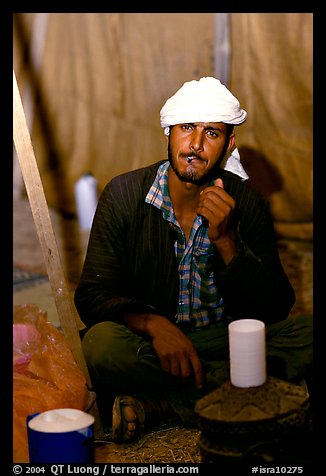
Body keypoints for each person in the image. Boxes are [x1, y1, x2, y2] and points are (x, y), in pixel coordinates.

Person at [74, 77, 313, 444]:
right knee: (100, 345)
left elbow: (275, 307)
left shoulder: (247, 204)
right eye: (187, 127)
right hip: (152, 344)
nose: (196, 145)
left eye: (212, 133)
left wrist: (227, 241)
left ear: (229, 144)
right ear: (169, 132)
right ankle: (249, 388)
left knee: (306, 335)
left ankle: (164, 404)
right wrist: (155, 325)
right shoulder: (123, 195)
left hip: (222, 339)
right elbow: (91, 294)